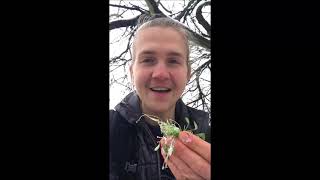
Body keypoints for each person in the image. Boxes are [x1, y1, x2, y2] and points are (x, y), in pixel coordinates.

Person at [109, 16, 211, 180]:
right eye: (148, 60)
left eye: (173, 61)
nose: (160, 74)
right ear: (131, 72)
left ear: (188, 73)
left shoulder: (208, 137)